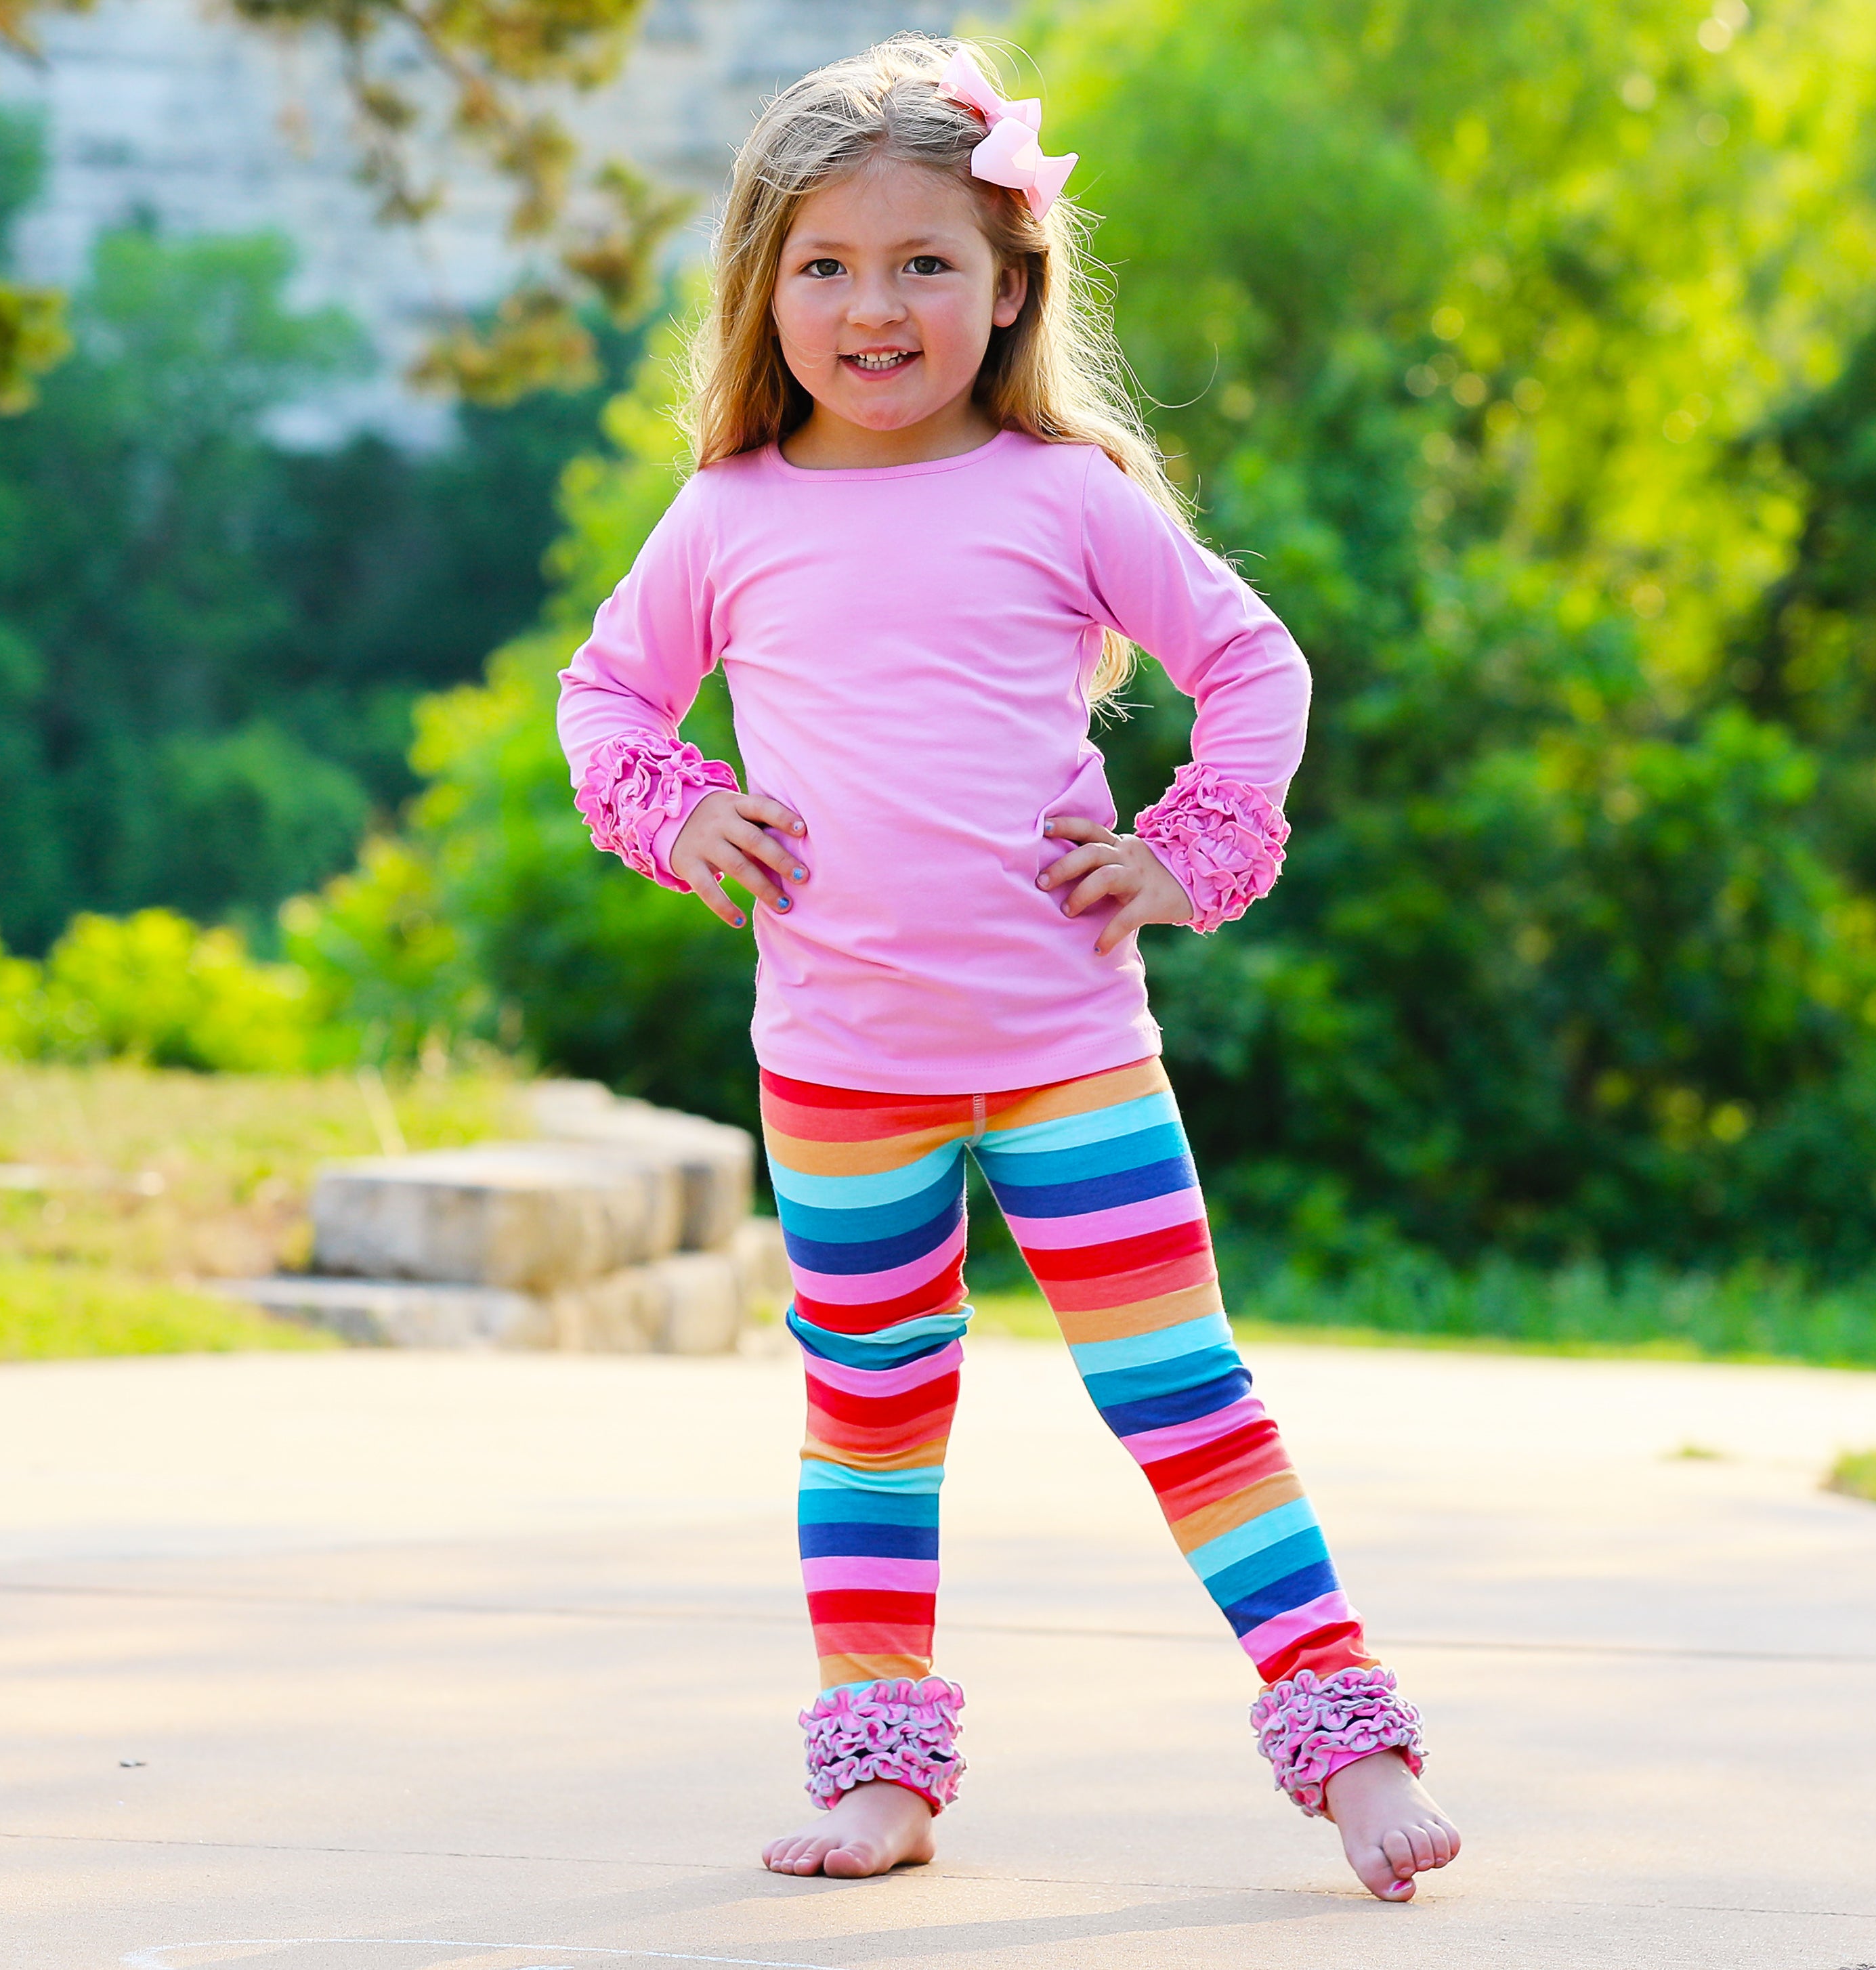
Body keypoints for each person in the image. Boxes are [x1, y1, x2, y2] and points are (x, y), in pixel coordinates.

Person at [555, 32, 1461, 1903]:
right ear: (763, 290)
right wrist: (677, 811)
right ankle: (882, 1777)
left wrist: (1191, 848)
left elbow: (1252, 663)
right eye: (825, 265)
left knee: (1186, 1396)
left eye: (924, 263)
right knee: (872, 1421)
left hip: (1069, 1052)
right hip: (838, 1069)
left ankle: (1351, 1744)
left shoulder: (1065, 494)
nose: (873, 307)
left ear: (1010, 283)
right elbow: (606, 696)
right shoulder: (729, 516)